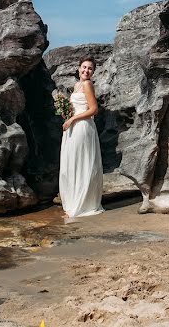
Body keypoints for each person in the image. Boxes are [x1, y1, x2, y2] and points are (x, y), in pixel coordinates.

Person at [59, 56, 104, 219]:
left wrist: (72, 119)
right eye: (84, 67)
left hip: (83, 126)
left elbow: (93, 110)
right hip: (73, 127)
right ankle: (73, 202)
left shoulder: (87, 84)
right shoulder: (77, 85)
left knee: (82, 163)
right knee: (72, 164)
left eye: (90, 68)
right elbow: (77, 106)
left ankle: (82, 204)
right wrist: (66, 113)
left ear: (93, 72)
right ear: (78, 68)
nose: (86, 70)